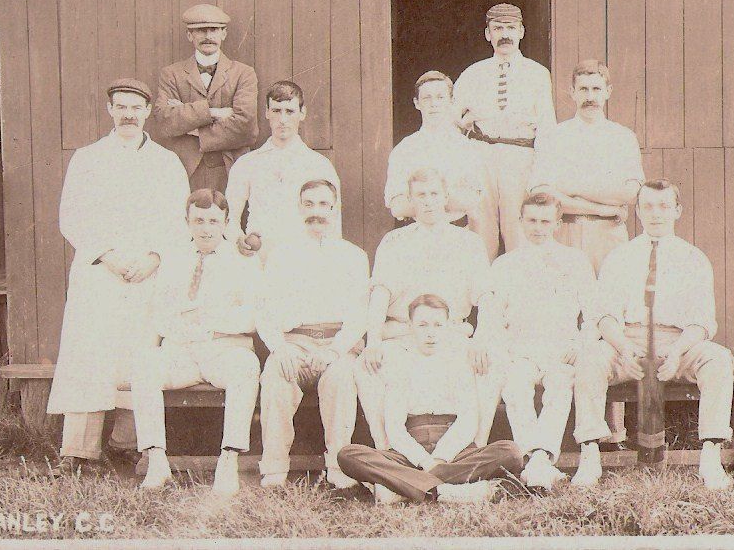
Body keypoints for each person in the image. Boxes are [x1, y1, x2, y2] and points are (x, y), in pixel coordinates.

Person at [46, 78, 191, 477]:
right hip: (100, 273)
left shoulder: (166, 163)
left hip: (146, 274)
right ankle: (78, 451)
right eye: (121, 107)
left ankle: (126, 444)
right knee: (89, 353)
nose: (129, 114)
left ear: (148, 112)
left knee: (137, 355)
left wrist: (155, 258)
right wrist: (106, 256)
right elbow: (71, 216)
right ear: (110, 110)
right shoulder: (88, 158)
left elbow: (179, 221)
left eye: (136, 107)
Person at [571, 179, 734, 491]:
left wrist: (677, 352)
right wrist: (622, 348)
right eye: (647, 206)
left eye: (664, 206)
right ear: (638, 211)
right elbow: (604, 316)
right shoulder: (620, 256)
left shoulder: (694, 258)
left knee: (718, 358)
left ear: (677, 210)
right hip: (628, 340)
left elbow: (702, 322)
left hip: (677, 342)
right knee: (590, 357)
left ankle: (710, 456)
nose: (656, 213)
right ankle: (589, 454)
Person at [529, 59, 645, 446]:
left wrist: (575, 190)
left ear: (608, 92)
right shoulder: (556, 137)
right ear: (571, 93)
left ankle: (616, 425)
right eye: (583, 89)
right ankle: (568, 426)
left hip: (609, 235)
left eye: (597, 89)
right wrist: (601, 203)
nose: (590, 96)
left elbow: (629, 193)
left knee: (611, 315)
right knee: (568, 313)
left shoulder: (622, 137)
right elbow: (543, 192)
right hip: (567, 231)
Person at [130, 189, 261, 496]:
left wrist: (209, 322)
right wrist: (182, 327)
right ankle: (157, 461)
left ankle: (228, 461)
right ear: (187, 222)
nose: (206, 229)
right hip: (183, 352)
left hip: (224, 351)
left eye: (213, 221)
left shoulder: (243, 262)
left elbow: (254, 316)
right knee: (145, 364)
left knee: (246, 366)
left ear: (226, 223)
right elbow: (160, 313)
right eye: (198, 221)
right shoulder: (174, 259)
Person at [355, 168, 493, 451]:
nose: (428, 201)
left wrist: (481, 340)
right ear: (410, 200)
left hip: (450, 335)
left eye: (434, 194)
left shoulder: (468, 242)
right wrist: (373, 341)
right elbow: (380, 293)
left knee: (492, 365)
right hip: (404, 336)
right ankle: (386, 451)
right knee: (365, 368)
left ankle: (475, 449)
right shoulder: (394, 242)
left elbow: (486, 296)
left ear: (445, 197)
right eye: (421, 195)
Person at [338, 294, 524, 504]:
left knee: (511, 452)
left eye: (438, 325)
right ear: (410, 327)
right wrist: (424, 461)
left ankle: (407, 488)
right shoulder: (401, 362)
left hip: (455, 450)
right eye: (422, 325)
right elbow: (395, 427)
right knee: (348, 455)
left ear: (447, 327)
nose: (430, 333)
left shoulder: (459, 360)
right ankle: (450, 490)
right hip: (409, 451)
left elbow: (467, 420)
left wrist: (439, 459)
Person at [473, 193, 598, 489]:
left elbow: (593, 314)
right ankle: (534, 459)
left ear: (557, 224)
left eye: (545, 221)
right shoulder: (505, 264)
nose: (538, 228)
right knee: (515, 386)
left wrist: (580, 344)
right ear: (520, 221)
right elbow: (492, 313)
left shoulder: (575, 261)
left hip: (561, 348)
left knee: (559, 387)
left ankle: (540, 457)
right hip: (521, 348)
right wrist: (488, 341)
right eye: (531, 221)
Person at [257, 179, 369, 489]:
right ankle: (274, 468)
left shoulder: (353, 256)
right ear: (299, 208)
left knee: (341, 377)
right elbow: (264, 309)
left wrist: (334, 351)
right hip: (294, 342)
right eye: (309, 204)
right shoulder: (281, 255)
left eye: (323, 204)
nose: (316, 212)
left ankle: (338, 467)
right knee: (276, 374)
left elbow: (360, 314)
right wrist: (279, 347)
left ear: (335, 209)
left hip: (337, 344)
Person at [453, 3, 556, 259]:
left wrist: (542, 176)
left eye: (510, 28)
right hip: (481, 155)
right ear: (488, 34)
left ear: (521, 31)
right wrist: (463, 128)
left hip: (519, 157)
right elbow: (450, 119)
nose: (504, 35)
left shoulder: (537, 73)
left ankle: (518, 282)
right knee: (480, 227)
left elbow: (547, 128)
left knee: (518, 229)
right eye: (498, 28)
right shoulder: (472, 73)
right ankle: (480, 283)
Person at [225, 81, 341, 261]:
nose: (283, 119)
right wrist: (238, 239)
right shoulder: (247, 164)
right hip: (259, 261)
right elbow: (228, 217)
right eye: (276, 111)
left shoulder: (319, 165)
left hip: (303, 260)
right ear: (267, 112)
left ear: (302, 113)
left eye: (290, 111)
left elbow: (333, 224)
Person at [153, 3, 260, 193]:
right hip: (185, 170)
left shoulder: (244, 73)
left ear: (224, 34)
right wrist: (214, 113)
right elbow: (165, 121)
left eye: (214, 30)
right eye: (201, 30)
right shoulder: (171, 74)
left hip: (230, 169)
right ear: (189, 35)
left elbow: (246, 127)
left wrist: (191, 126)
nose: (208, 36)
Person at [384, 70, 483, 232]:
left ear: (451, 101)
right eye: (427, 98)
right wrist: (447, 200)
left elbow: (470, 201)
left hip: (456, 233)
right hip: (415, 233)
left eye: (440, 97)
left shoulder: (466, 148)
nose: (433, 103)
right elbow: (398, 206)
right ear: (417, 103)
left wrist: (420, 200)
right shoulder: (405, 149)